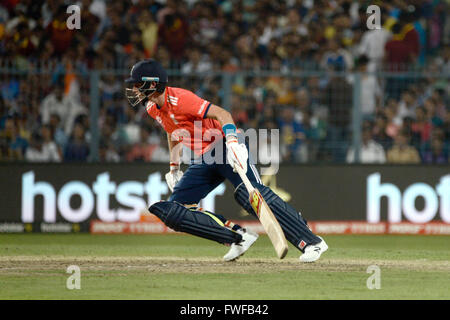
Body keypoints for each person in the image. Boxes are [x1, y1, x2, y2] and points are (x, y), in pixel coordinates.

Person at [125, 59, 328, 262]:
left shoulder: (181, 99)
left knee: (251, 196)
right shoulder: (152, 108)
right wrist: (174, 167)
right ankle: (238, 238)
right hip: (206, 157)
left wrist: (233, 142)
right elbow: (173, 132)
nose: (134, 90)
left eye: (137, 84)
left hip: (224, 144)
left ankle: (312, 242)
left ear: (152, 84)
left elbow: (222, 113)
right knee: (175, 209)